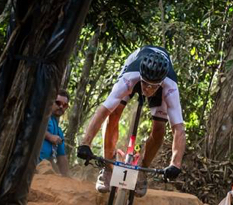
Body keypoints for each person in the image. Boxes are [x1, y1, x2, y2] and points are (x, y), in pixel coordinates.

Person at [77, 46, 185, 195]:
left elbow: (178, 128)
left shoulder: (170, 86)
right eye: (145, 84)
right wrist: (85, 143)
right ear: (141, 77)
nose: (147, 89)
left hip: (158, 83)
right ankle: (107, 168)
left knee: (159, 129)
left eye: (152, 86)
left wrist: (175, 163)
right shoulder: (130, 77)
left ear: (160, 83)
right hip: (133, 69)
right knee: (114, 113)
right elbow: (103, 111)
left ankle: (142, 172)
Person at [39, 90, 70, 177]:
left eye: (64, 105)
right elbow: (32, 125)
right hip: (33, 167)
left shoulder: (59, 131)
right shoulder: (42, 116)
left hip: (47, 171)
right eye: (58, 103)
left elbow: (61, 157)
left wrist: (67, 177)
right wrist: (49, 136)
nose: (61, 106)